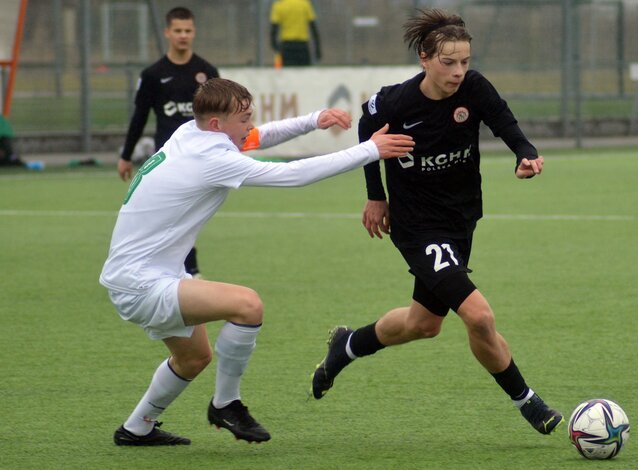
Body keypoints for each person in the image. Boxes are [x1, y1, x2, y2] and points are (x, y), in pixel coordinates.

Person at [101, 77, 414, 446]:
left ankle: (136, 429)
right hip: (140, 281)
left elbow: (258, 137)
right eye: (244, 117)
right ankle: (226, 404)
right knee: (247, 306)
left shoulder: (193, 132)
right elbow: (292, 175)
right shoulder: (213, 157)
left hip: (143, 274)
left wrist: (314, 119)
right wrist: (369, 150)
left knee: (194, 358)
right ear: (216, 124)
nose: (250, 125)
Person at [310, 9, 564, 436]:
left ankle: (346, 346)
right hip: (416, 225)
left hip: (460, 219)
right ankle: (529, 402)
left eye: (464, 61)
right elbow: (367, 126)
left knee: (422, 324)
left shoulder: (475, 89)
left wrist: (525, 152)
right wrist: (376, 195)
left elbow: (504, 121)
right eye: (449, 63)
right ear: (425, 59)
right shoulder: (396, 101)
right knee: (479, 316)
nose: (459, 71)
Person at [119, 6, 219, 278]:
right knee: (171, 217)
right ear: (167, 33)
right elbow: (139, 117)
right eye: (178, 30)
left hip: (201, 160)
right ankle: (184, 273)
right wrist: (126, 156)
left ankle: (184, 272)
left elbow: (221, 118)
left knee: (187, 216)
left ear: (194, 32)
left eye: (188, 30)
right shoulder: (153, 74)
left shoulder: (206, 72)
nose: (183, 36)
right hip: (168, 160)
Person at [269, 0, 321, 66]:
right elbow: (313, 28)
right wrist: (317, 49)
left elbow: (274, 30)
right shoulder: (305, 4)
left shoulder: (279, 5)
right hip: (302, 47)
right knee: (304, 74)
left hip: (287, 47)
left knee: (288, 74)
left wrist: (276, 47)